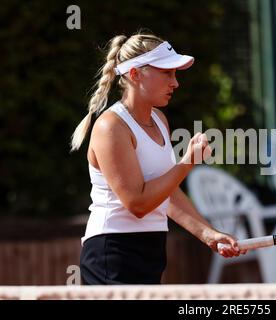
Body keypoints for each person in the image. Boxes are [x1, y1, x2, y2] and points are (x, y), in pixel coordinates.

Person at [70, 32, 245, 285]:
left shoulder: (160, 121)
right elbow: (138, 203)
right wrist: (187, 163)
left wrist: (208, 234)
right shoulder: (111, 127)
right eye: (166, 73)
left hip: (152, 250)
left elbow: (166, 193)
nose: (175, 83)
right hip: (112, 253)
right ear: (134, 74)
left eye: (175, 73)